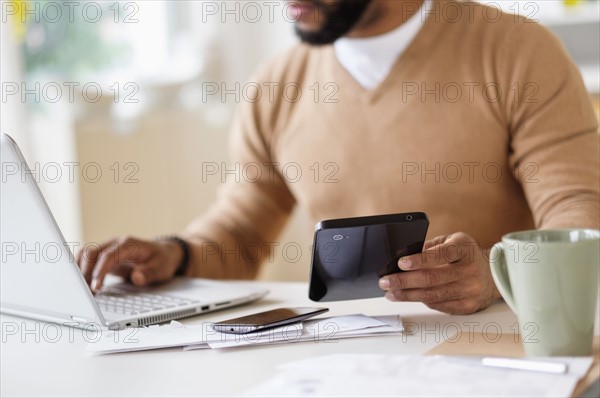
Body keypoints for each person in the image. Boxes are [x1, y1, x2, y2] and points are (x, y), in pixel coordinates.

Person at [77, 0, 600, 315]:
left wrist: (495, 273)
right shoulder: (276, 85)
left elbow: (579, 218)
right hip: (342, 361)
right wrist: (175, 254)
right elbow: (240, 233)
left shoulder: (518, 53)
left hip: (496, 353)